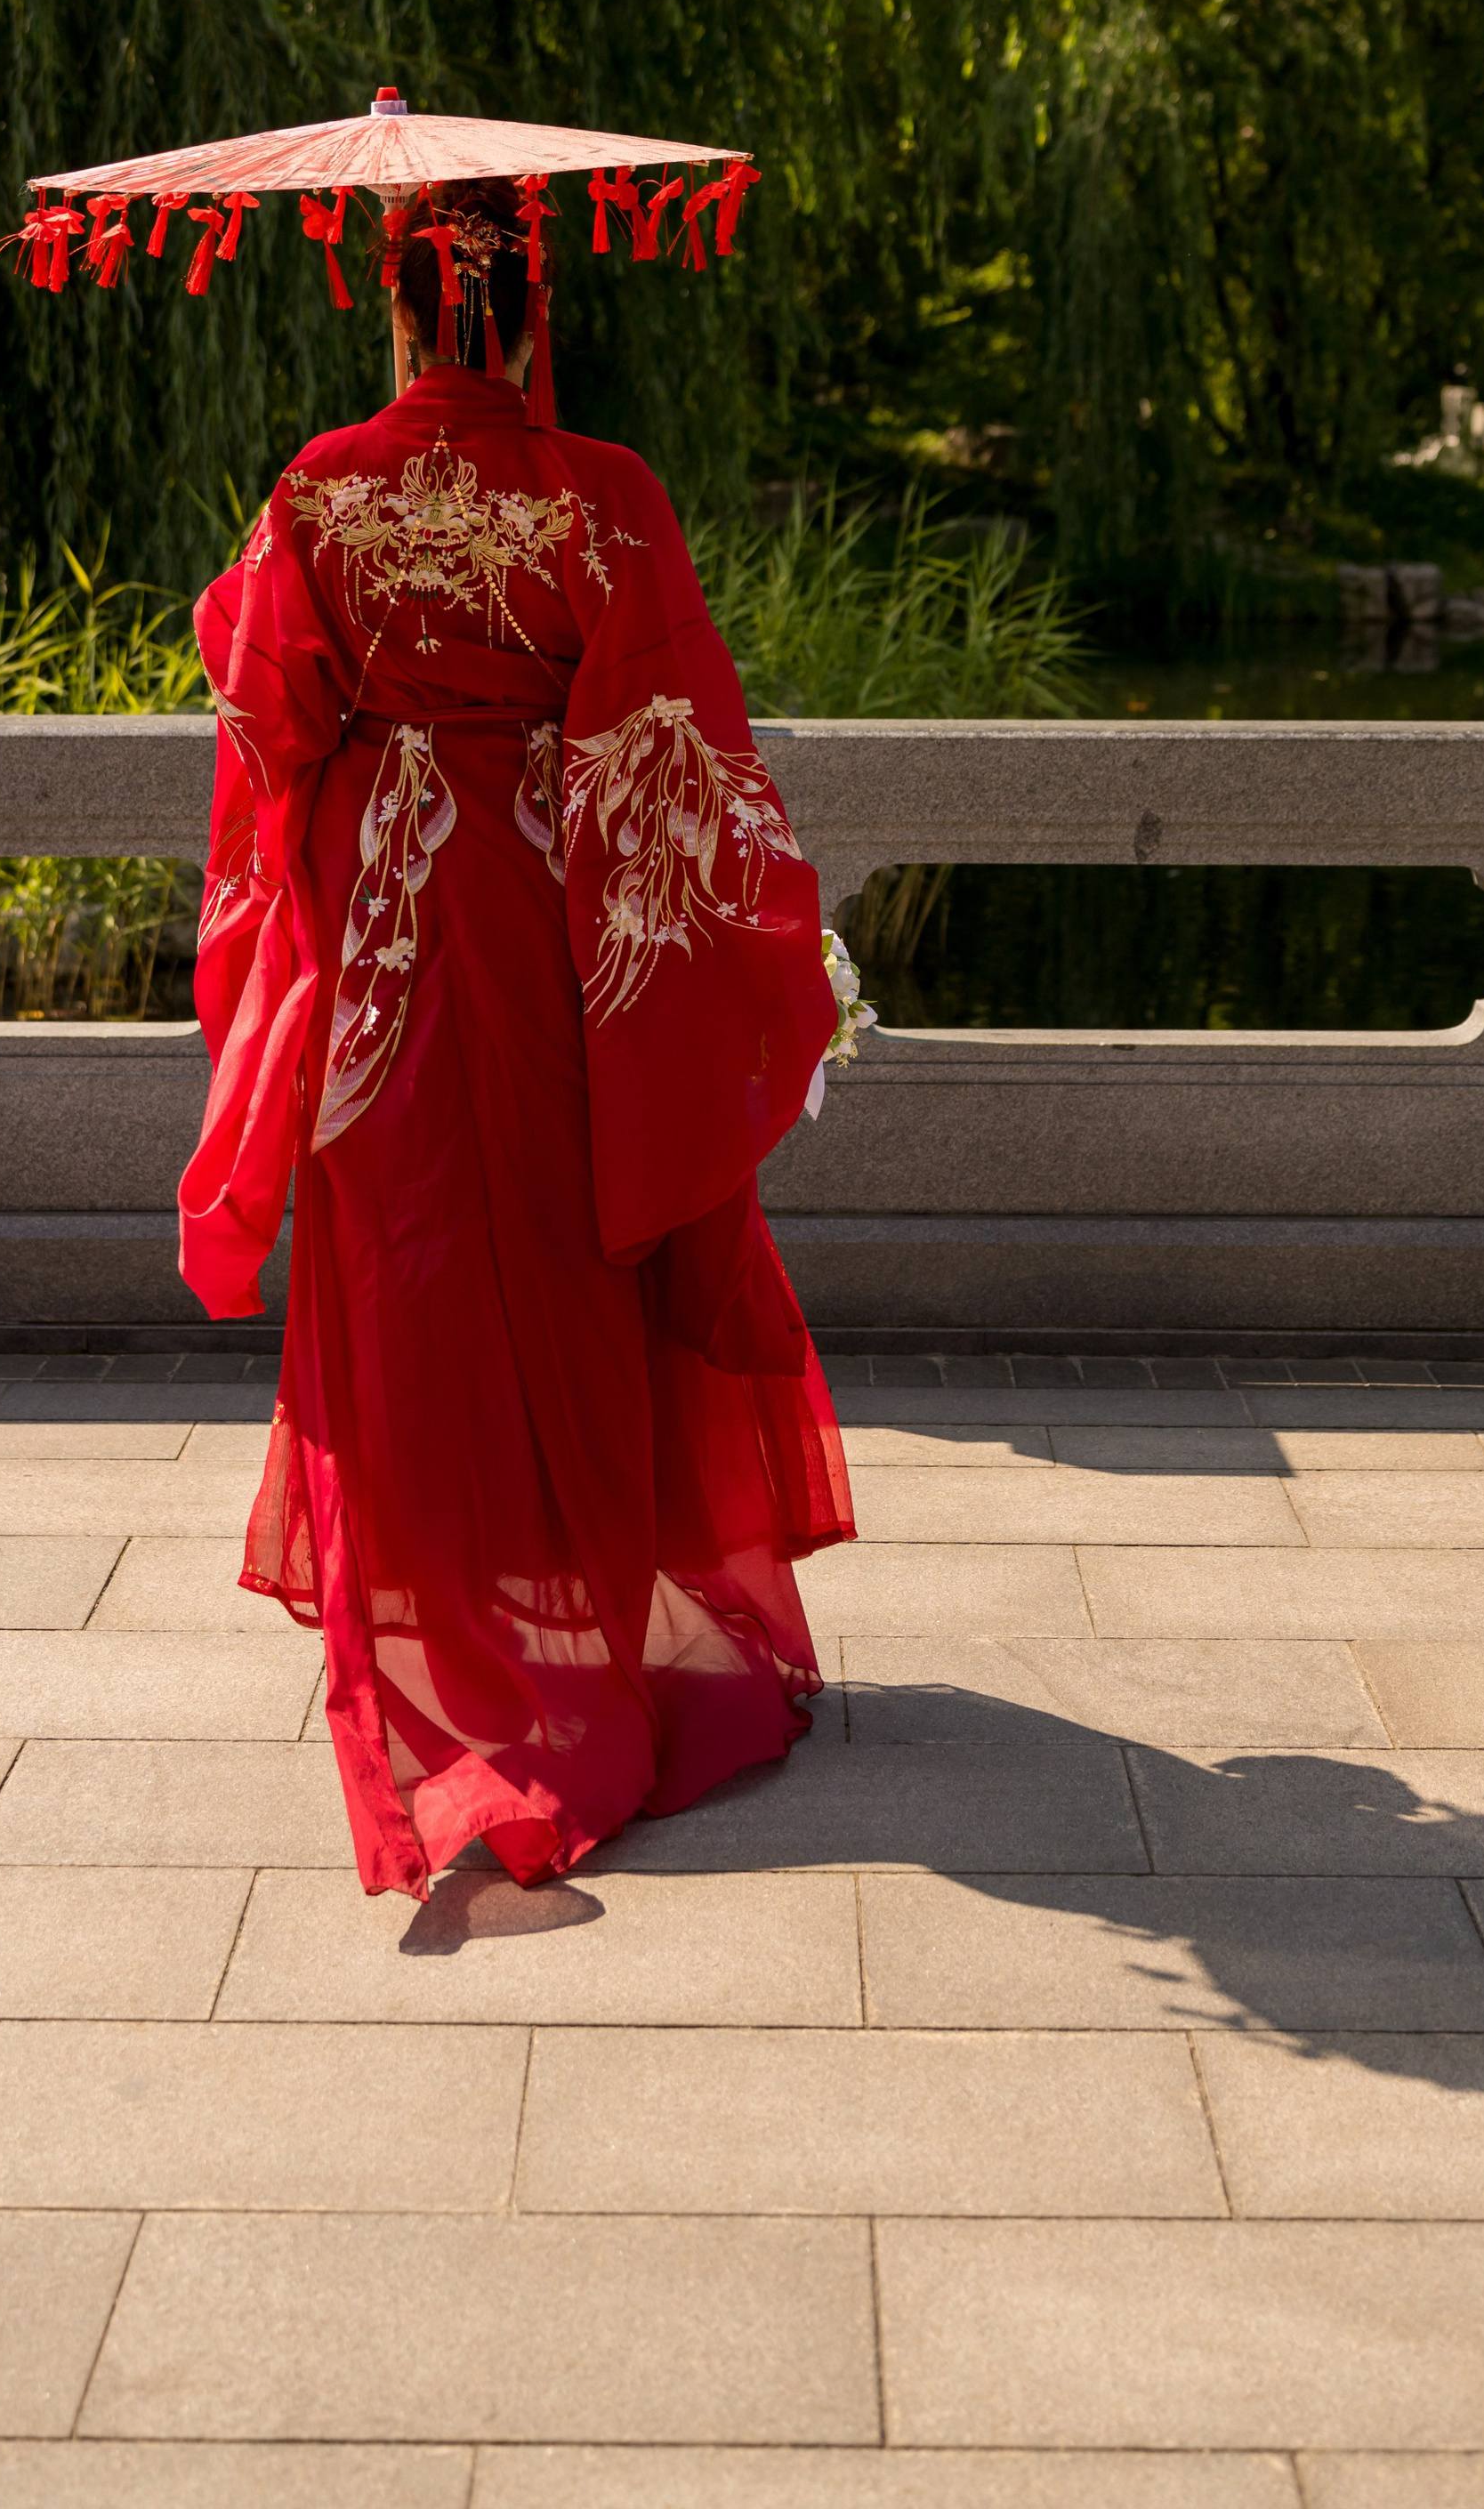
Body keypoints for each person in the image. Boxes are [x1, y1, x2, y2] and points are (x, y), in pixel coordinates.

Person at [178, 182, 855, 1897]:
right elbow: (672, 736)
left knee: (403, 1264)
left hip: (388, 924)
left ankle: (447, 1638)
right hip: (556, 925)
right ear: (528, 321)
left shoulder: (320, 484)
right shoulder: (605, 494)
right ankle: (593, 1640)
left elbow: (268, 708)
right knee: (565, 1254)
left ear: (401, 320)